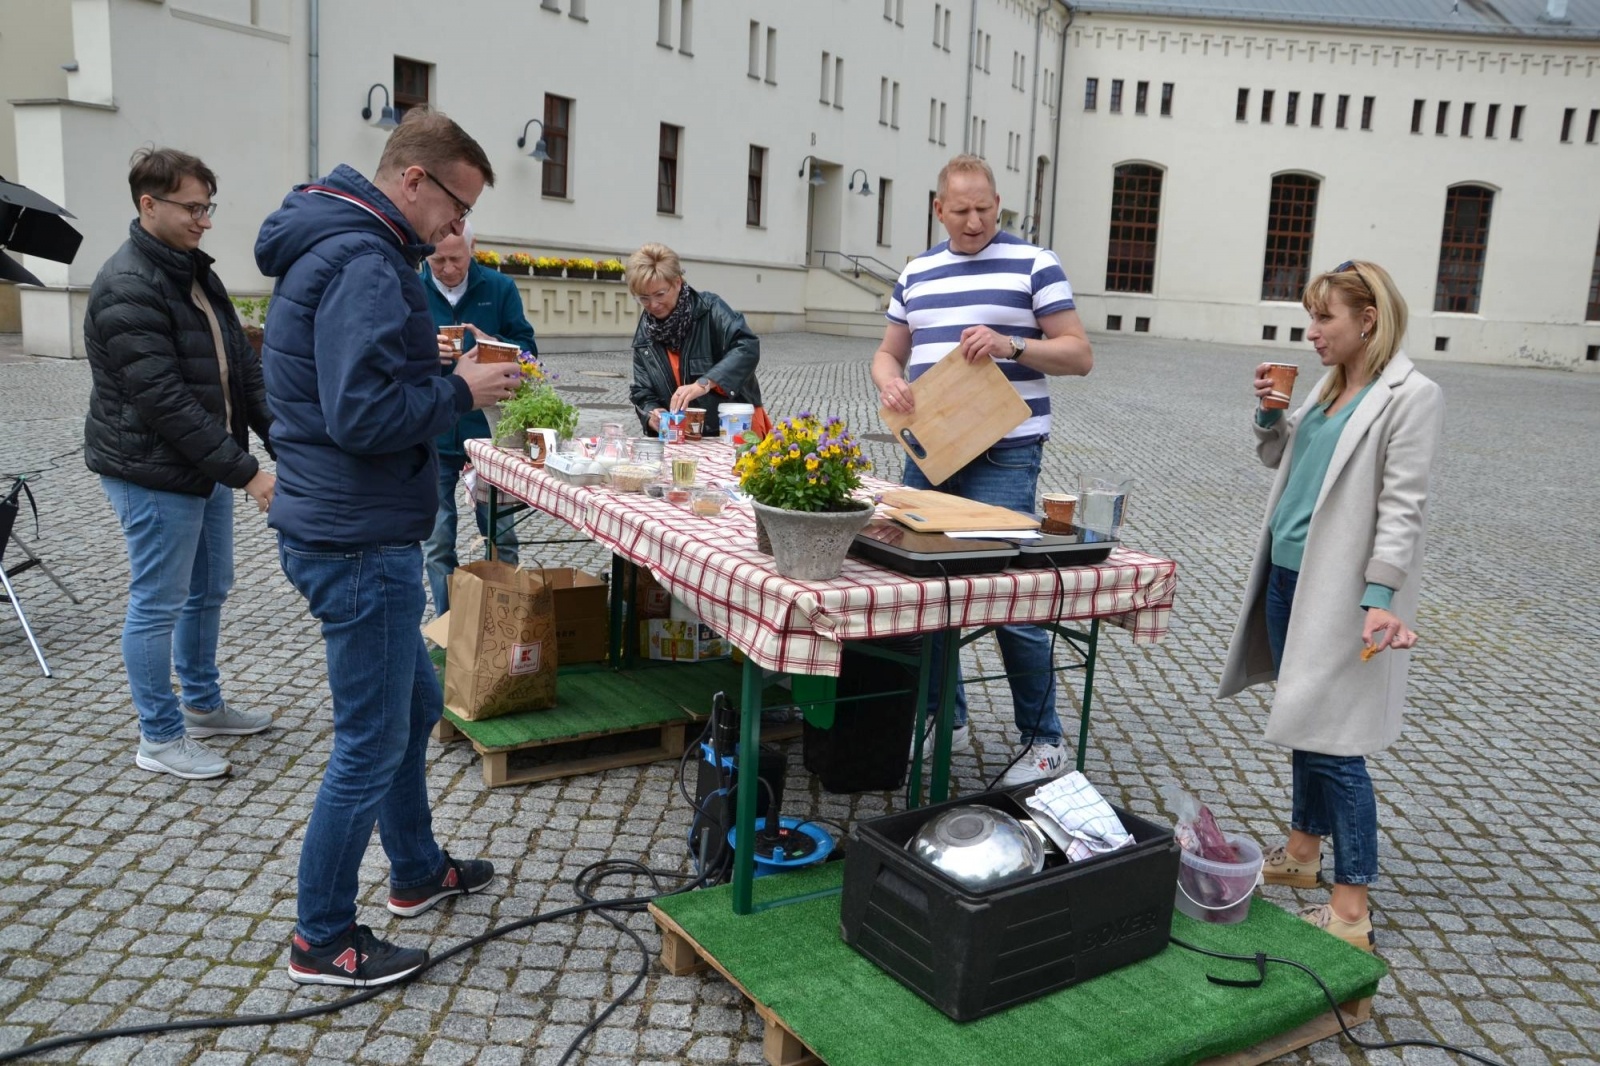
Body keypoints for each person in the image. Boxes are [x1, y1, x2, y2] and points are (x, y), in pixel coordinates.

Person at [254, 108, 523, 987]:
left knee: (412, 709)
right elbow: (362, 416)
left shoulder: (341, 244)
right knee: (369, 740)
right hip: (357, 537)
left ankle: (415, 870)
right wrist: (456, 386)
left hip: (346, 522)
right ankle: (322, 938)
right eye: (455, 205)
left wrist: (427, 363)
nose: (459, 229)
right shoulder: (366, 260)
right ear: (412, 180)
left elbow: (348, 385)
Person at [1219, 259, 1444, 952]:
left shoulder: (1411, 395)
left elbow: (1403, 507)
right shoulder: (1330, 386)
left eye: (1325, 318)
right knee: (1304, 715)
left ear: (1367, 319)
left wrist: (1379, 597)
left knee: (1337, 743)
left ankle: (1351, 908)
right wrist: (1271, 416)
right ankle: (1303, 852)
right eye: (1310, 317)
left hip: (1345, 595)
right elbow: (1285, 461)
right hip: (1289, 577)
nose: (1311, 332)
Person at [870, 154, 1093, 788]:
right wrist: (890, 385)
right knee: (929, 594)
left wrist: (1010, 345)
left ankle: (1044, 740)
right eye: (961, 210)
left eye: (984, 209)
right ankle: (944, 714)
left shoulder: (1035, 264)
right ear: (939, 209)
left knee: (1011, 601)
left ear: (999, 204)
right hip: (930, 451)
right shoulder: (916, 272)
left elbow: (1079, 354)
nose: (974, 221)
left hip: (1004, 452)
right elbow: (889, 353)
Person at [84, 147, 277, 782]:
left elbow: (241, 369)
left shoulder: (193, 269)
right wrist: (249, 473)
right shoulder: (126, 284)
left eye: (207, 206)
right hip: (152, 469)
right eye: (194, 207)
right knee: (157, 602)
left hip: (203, 464)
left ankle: (202, 705)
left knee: (209, 588)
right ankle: (159, 738)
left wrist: (282, 443)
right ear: (149, 204)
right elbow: (162, 401)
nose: (205, 220)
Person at [420, 220, 536, 616]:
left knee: (500, 534)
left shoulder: (499, 288)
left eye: (457, 258)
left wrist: (495, 346)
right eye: (438, 260)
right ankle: (448, 628)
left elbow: (529, 352)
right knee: (437, 541)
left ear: (473, 250)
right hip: (432, 434)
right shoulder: (410, 287)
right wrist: (423, 352)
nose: (449, 268)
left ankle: (506, 623)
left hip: (489, 437)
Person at [626, 242, 764, 438]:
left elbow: (747, 347)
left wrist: (705, 383)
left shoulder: (710, 309)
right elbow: (642, 391)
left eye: (660, 294)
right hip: (684, 437)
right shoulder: (645, 333)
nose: (653, 305)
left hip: (733, 429)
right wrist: (653, 415)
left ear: (677, 282)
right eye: (644, 298)